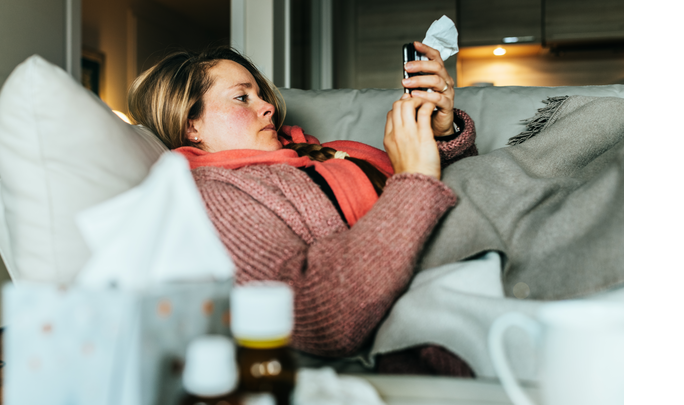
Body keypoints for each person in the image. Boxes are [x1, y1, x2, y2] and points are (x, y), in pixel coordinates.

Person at [128, 45, 478, 375]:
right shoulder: (214, 194)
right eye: (242, 97)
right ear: (192, 125)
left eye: (262, 96)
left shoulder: (320, 152)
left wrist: (441, 135)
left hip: (475, 236)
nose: (268, 108)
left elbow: (445, 194)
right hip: (441, 287)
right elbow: (318, 315)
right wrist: (415, 178)